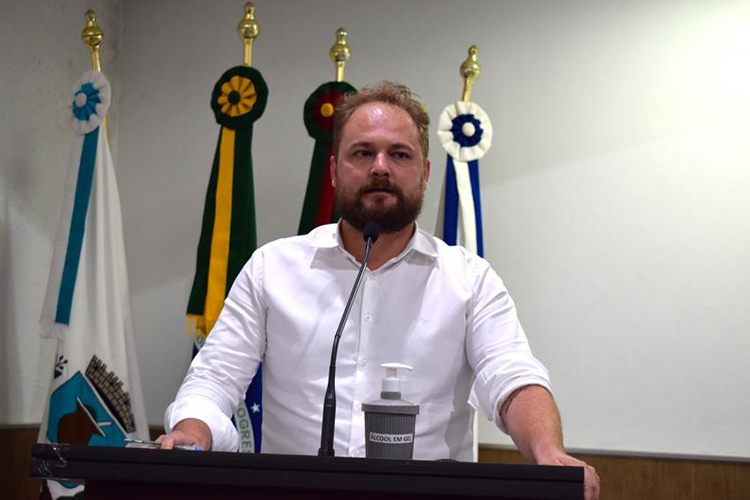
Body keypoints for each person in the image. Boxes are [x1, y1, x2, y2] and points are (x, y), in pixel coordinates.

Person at [158, 81, 600, 499]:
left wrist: (548, 454)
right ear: (334, 171)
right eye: (363, 152)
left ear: (425, 174)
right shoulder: (272, 268)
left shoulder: (469, 279)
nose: (381, 167)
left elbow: (511, 376)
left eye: (400, 154)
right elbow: (214, 378)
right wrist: (193, 429)